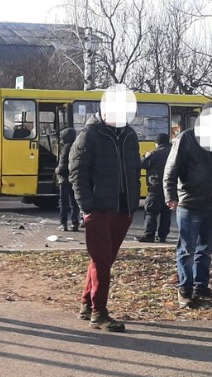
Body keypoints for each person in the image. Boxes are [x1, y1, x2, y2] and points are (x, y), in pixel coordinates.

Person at [69, 107, 142, 332]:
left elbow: (135, 170)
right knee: (101, 261)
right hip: (98, 209)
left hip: (123, 208)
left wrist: (133, 203)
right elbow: (77, 173)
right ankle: (99, 313)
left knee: (103, 261)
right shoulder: (89, 134)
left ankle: (86, 305)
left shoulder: (129, 135)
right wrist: (87, 207)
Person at [163, 101, 212, 309]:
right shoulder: (187, 138)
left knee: (206, 249)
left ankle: (201, 287)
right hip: (189, 202)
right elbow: (171, 168)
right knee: (187, 249)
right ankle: (185, 289)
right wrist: (170, 195)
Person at [136, 133, 173, 243]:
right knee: (166, 214)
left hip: (155, 187)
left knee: (151, 212)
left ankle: (149, 235)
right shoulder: (174, 152)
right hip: (170, 188)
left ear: (157, 143)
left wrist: (145, 156)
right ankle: (163, 236)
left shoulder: (154, 154)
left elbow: (142, 164)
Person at [55, 127, 80, 232]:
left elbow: (62, 166)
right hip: (75, 179)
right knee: (74, 202)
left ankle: (63, 224)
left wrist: (57, 171)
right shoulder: (77, 147)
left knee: (63, 202)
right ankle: (75, 223)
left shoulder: (66, 148)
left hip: (64, 179)